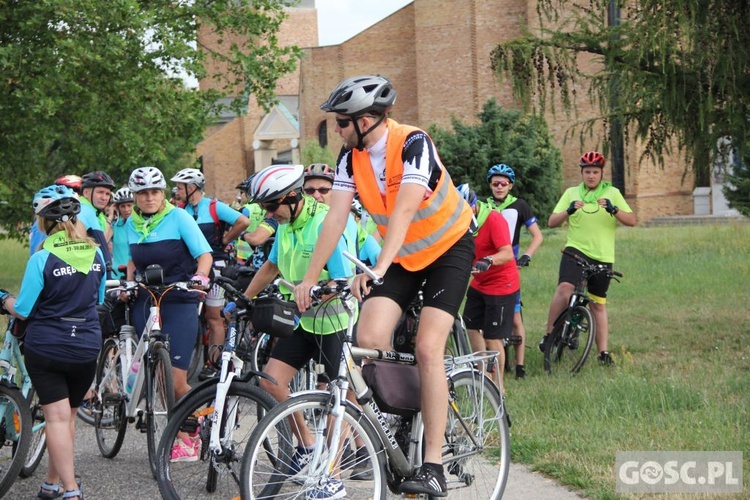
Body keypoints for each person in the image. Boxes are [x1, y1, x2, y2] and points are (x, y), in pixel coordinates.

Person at [294, 75, 475, 497]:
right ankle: (403, 410)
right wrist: (308, 278)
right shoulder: (348, 158)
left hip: (449, 248)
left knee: (430, 347)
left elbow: (405, 210)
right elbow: (334, 219)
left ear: (367, 120)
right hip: (404, 258)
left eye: (341, 122)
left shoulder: (413, 143)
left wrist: (376, 268)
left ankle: (432, 465)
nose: (335, 129)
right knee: (368, 337)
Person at [242, 164, 357, 499]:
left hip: (337, 322)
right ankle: (307, 444)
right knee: (270, 380)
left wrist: (319, 289)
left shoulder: (325, 223)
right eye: (263, 207)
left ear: (292, 197)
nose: (267, 214)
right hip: (305, 321)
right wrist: (243, 299)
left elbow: (344, 279)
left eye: (270, 206)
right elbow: (272, 265)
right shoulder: (288, 223)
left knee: (337, 400)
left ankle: (333, 476)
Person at [1, 184, 106, 500]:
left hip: (48, 345)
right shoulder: (97, 253)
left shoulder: (42, 257)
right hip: (87, 344)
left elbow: (24, 310)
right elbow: (97, 299)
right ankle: (52, 483)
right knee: (67, 417)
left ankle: (71, 490)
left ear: (43, 221)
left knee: (56, 418)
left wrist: (4, 298)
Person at [124, 166, 213, 461]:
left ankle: (193, 427)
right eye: (142, 193)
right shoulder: (131, 223)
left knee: (175, 378)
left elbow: (204, 255)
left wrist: (200, 277)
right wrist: (127, 282)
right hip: (146, 301)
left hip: (179, 299)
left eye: (154, 192)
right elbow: (132, 262)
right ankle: (178, 432)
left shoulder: (179, 217)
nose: (149, 198)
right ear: (135, 196)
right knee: (160, 375)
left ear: (162, 193)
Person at [541, 151, 636, 365]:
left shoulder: (612, 193)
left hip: (603, 255)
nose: (591, 176)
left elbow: (632, 220)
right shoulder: (572, 193)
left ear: (601, 173)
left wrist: (615, 210)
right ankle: (548, 336)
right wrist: (568, 211)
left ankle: (602, 353)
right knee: (565, 289)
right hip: (576, 250)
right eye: (587, 172)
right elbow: (552, 222)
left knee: (598, 305)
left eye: (595, 172)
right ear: (581, 173)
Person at [171, 168, 250, 380]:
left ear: (192, 188)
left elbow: (243, 221)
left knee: (213, 317)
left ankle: (213, 362)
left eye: (180, 187)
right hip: (189, 268)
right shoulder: (179, 210)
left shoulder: (213, 206)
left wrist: (226, 240)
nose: (176, 191)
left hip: (215, 265)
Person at [483, 163, 543, 379]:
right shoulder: (483, 206)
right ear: (490, 185)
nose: (499, 187)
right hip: (487, 266)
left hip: (509, 267)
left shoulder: (520, 205)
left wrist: (527, 255)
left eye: (503, 183)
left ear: (510, 186)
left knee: (516, 319)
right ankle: (491, 363)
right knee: (487, 318)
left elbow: (537, 235)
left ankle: (520, 366)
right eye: (495, 183)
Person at [457, 184, 519, 393]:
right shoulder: (460, 223)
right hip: (479, 283)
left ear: (473, 206)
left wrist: (489, 260)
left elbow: (508, 253)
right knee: (471, 326)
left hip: (501, 284)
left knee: (492, 336)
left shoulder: (493, 219)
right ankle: (482, 375)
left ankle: (498, 387)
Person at [234, 175, 278, 269]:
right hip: (259, 257)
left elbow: (256, 239)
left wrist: (244, 234)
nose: (268, 214)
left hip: (249, 254)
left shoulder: (245, 209)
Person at [80, 171, 116, 271]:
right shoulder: (84, 211)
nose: (104, 198)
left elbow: (101, 243)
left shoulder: (96, 213)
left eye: (108, 194)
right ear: (86, 193)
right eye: (100, 192)